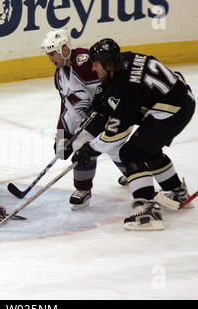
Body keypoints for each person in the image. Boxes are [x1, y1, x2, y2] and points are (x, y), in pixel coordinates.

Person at [71, 38, 196, 231]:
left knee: (131, 153)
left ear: (108, 64)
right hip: (180, 100)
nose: (94, 69)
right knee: (147, 148)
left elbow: (117, 133)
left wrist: (91, 149)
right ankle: (177, 191)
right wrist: (103, 98)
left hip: (171, 110)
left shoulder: (125, 88)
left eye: (96, 64)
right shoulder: (126, 59)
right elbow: (119, 86)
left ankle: (147, 209)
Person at [41, 29, 127, 210]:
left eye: (52, 54)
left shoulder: (82, 61)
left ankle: (86, 189)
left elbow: (110, 81)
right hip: (95, 118)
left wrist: (105, 106)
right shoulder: (60, 77)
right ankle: (88, 188)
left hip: (112, 112)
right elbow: (68, 108)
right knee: (112, 148)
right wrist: (62, 135)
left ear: (65, 49)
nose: (50, 59)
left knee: (90, 145)